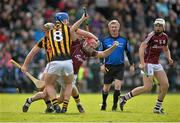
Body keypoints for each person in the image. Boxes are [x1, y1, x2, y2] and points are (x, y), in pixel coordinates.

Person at [21, 12, 88, 113]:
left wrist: (25, 65)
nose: (47, 31)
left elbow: (32, 52)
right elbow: (76, 31)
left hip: (55, 64)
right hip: (59, 64)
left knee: (52, 88)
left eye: (48, 29)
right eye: (46, 29)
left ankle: (55, 105)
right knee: (47, 92)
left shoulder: (55, 36)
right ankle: (38, 103)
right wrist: (87, 30)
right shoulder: (61, 33)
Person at [120, 18, 173, 114]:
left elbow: (166, 49)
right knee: (148, 87)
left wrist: (169, 57)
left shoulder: (165, 37)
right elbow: (141, 48)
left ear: (163, 27)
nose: (157, 27)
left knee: (165, 85)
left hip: (157, 64)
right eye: (156, 25)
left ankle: (157, 108)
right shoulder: (151, 36)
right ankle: (125, 97)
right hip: (148, 63)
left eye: (160, 26)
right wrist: (142, 63)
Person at [99, 20, 134, 111]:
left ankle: (114, 106)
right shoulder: (105, 40)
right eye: (112, 27)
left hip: (120, 66)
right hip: (108, 66)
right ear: (109, 29)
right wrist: (101, 64)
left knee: (118, 86)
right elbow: (101, 53)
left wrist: (132, 64)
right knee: (106, 88)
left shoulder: (124, 40)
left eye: (115, 27)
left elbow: (129, 53)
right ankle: (104, 103)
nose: (114, 29)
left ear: (119, 28)